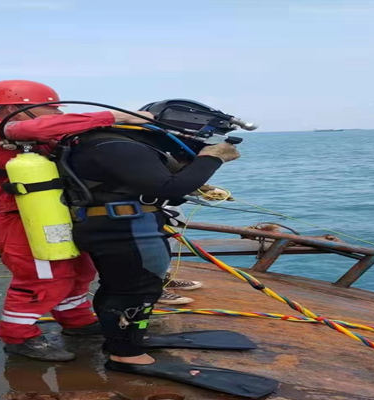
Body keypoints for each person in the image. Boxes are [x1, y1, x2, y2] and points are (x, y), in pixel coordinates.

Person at [59, 100, 276, 398]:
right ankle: (126, 355)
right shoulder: (117, 146)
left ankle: (123, 340)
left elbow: (155, 185)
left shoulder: (108, 141)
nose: (203, 139)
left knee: (120, 287)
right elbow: (169, 189)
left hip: (118, 225)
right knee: (138, 290)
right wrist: (213, 158)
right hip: (125, 229)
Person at [0, 80, 152, 361]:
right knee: (43, 278)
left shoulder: (26, 133)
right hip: (22, 220)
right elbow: (30, 129)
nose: (56, 113)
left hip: (52, 214)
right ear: (13, 108)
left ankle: (77, 321)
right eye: (49, 108)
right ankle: (18, 336)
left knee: (79, 270)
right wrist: (119, 116)